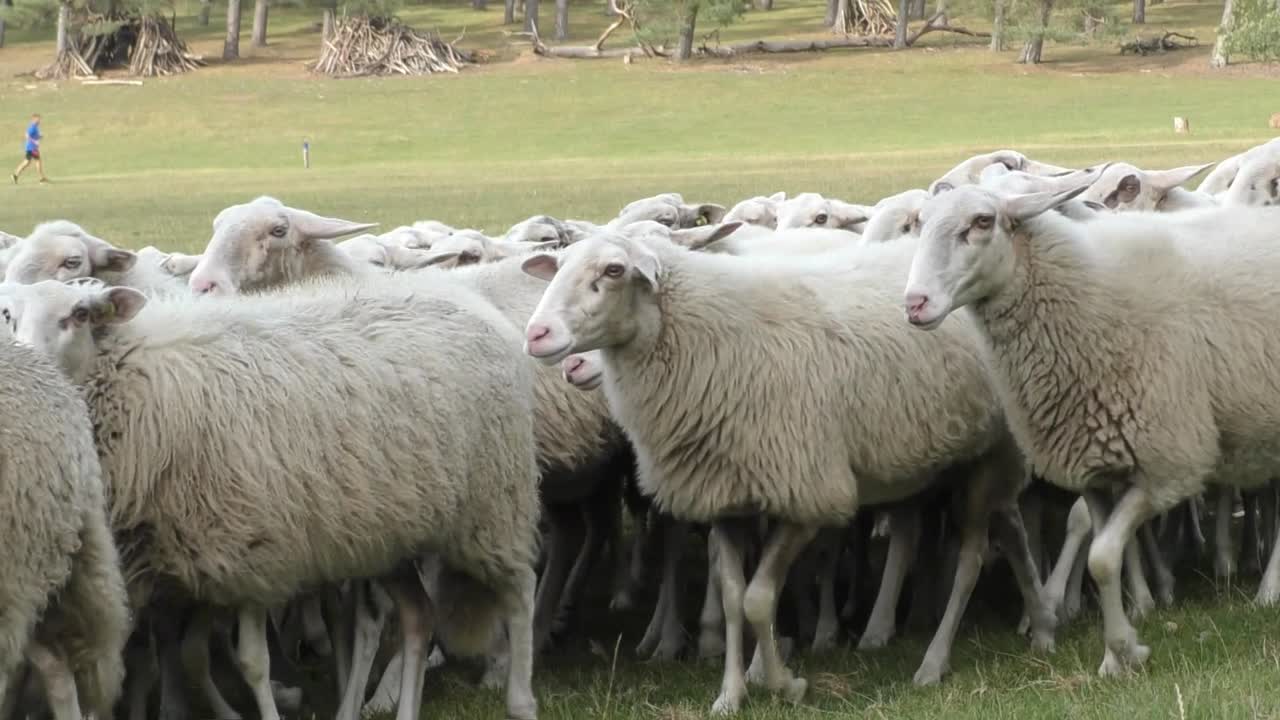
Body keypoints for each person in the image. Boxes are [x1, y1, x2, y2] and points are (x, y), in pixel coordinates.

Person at [12, 113, 48, 185]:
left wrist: (39, 136)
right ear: (34, 119)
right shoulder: (32, 127)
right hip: (32, 148)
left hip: (31, 148)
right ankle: (41, 179)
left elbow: (34, 136)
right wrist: (34, 141)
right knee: (38, 162)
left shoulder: (35, 127)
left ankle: (15, 175)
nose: (39, 121)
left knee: (26, 162)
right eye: (38, 119)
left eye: (39, 119)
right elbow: (27, 135)